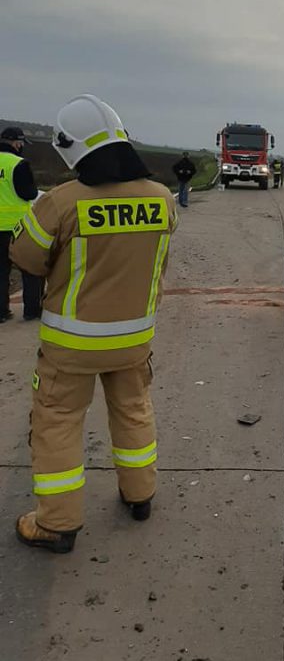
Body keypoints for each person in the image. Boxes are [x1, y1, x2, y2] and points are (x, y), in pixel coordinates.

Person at [10, 95, 177, 554]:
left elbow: (25, 257)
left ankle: (57, 524)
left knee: (57, 423)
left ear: (70, 148)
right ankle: (140, 496)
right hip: (134, 341)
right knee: (133, 412)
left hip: (71, 346)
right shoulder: (162, 199)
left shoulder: (63, 202)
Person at [0, 126, 43, 322]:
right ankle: (32, 310)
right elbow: (29, 194)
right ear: (17, 142)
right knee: (31, 267)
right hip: (17, 227)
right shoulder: (18, 164)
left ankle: (2, 312)